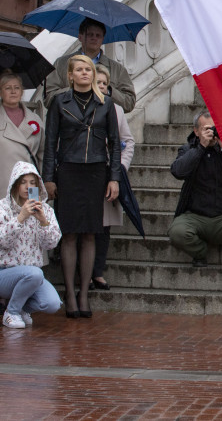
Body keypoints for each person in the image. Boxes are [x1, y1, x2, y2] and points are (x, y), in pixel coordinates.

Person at [43, 55, 121, 318]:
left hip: (96, 172)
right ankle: (69, 293)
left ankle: (84, 295)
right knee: (70, 234)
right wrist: (48, 178)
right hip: (68, 171)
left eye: (88, 69)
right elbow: (50, 141)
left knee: (90, 233)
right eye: (80, 69)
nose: (85, 73)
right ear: (71, 75)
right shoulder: (58, 102)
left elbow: (114, 143)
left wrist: (114, 178)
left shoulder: (106, 103)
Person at [0, 71, 44, 316]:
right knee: (1, 237)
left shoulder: (35, 118)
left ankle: (24, 294)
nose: (13, 91)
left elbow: (41, 154)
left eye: (17, 87)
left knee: (28, 235)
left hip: (29, 187)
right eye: (7, 88)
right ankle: (1, 298)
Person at [168, 110, 222, 297]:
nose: (211, 132)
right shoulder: (188, 149)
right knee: (177, 231)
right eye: (206, 129)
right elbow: (177, 171)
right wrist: (201, 148)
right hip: (195, 216)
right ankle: (201, 251)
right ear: (196, 131)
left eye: (214, 128)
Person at [0, 161, 62, 328]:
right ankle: (11, 313)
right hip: (2, 273)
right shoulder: (2, 207)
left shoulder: (45, 210)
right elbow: (0, 239)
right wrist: (20, 217)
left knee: (52, 304)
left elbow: (52, 243)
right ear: (15, 184)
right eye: (23, 182)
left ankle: (20, 309)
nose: (28, 187)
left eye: (33, 183)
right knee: (35, 274)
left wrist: (43, 221)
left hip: (32, 275)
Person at [90, 65, 135, 292]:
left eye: (105, 84)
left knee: (104, 227)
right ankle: (83, 273)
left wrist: (120, 168)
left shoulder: (116, 110)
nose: (101, 87)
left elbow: (128, 141)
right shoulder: (79, 107)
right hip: (87, 173)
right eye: (97, 83)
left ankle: (98, 272)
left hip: (110, 174)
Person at [44, 17, 136, 113]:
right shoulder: (61, 64)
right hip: (70, 122)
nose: (94, 38)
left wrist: (108, 91)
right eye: (90, 34)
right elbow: (49, 98)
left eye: (98, 35)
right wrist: (75, 89)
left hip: (103, 125)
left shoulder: (117, 69)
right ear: (80, 37)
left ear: (103, 39)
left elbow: (129, 103)